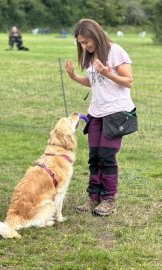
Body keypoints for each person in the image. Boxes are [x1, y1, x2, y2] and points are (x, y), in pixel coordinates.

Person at [65, 19, 136, 216]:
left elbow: (128, 81)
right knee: (94, 157)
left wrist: (108, 73)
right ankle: (93, 197)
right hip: (96, 112)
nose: (84, 46)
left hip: (116, 113)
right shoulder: (90, 56)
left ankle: (108, 200)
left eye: (86, 41)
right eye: (80, 42)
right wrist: (74, 77)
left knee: (107, 157)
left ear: (95, 36)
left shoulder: (115, 51)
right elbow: (94, 82)